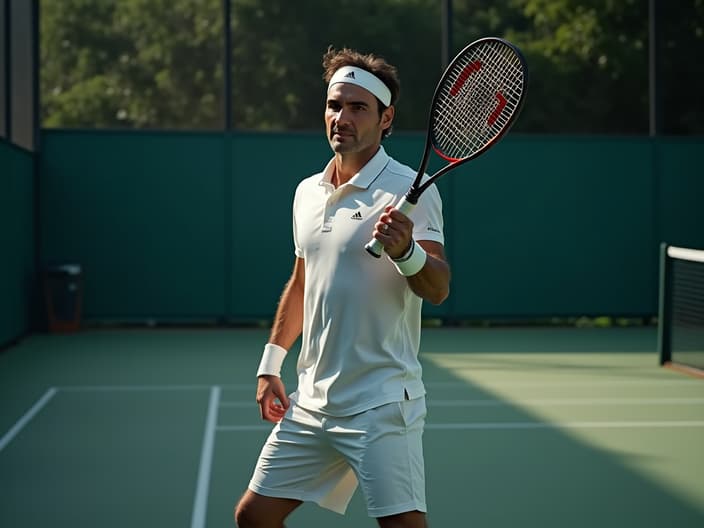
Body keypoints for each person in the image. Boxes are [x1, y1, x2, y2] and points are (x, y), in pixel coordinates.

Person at [234, 47, 451, 528]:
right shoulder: (307, 192)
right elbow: (302, 281)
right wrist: (271, 364)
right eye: (335, 105)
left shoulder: (412, 189)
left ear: (385, 117)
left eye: (358, 107)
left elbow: (437, 287)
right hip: (311, 403)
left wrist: (406, 252)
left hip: (381, 404)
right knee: (253, 517)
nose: (342, 117)